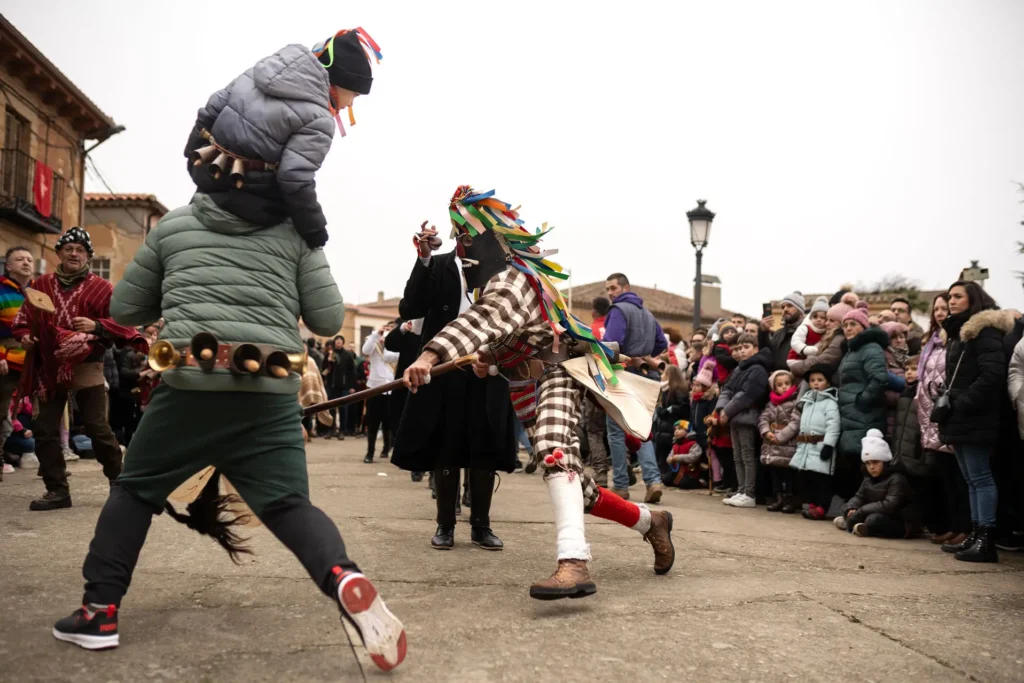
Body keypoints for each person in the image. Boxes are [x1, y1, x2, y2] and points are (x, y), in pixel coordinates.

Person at [50, 30, 408, 672]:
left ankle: (99, 613)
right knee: (289, 505)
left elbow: (126, 311)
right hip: (270, 379)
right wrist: (308, 244)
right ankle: (343, 578)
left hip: (189, 373)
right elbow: (328, 320)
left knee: (134, 490)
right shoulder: (297, 236)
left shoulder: (179, 226)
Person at [403, 186, 674, 600]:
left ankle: (574, 563)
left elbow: (484, 319)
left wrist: (430, 354)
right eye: (459, 242)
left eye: (468, 240)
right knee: (575, 486)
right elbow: (512, 334)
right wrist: (489, 358)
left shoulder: (514, 280)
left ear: (496, 240)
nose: (461, 252)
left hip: (558, 372)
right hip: (527, 383)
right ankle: (649, 521)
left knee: (552, 449)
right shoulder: (499, 282)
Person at [185, 28, 380, 250]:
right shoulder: (319, 119)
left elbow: (209, 112)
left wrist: (192, 158)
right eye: (354, 95)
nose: (350, 105)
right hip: (255, 205)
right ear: (340, 83)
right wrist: (315, 231)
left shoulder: (255, 74)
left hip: (210, 180)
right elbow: (294, 178)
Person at [391, 223, 515, 550]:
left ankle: (481, 525)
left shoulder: (503, 271)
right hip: (443, 366)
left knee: (484, 446)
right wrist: (425, 259)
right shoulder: (441, 265)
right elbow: (410, 307)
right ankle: (445, 524)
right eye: (464, 233)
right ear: (456, 235)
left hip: (487, 366)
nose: (469, 239)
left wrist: (497, 359)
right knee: (447, 445)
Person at [12, 228, 145, 511]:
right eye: (69, 248)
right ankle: (57, 491)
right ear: (58, 253)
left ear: (88, 256)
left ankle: (120, 485)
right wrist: (25, 335)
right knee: (44, 429)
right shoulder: (41, 284)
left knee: (97, 428)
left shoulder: (103, 288)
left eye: (80, 249)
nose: (74, 253)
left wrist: (97, 326)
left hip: (88, 365)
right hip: (48, 368)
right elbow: (23, 320)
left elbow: (124, 325)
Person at [936, 282, 1011, 563]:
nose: (951, 301)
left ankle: (986, 538)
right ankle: (975, 533)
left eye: (957, 297)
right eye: (949, 296)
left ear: (973, 300)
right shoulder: (958, 335)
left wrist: (963, 403)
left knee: (980, 477)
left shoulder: (985, 332)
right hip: (961, 417)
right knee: (971, 479)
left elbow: (992, 375)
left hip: (976, 417)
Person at [602, 272, 668, 503]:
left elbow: (612, 345)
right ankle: (653, 481)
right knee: (643, 431)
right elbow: (662, 343)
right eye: (608, 289)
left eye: (613, 288)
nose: (610, 293)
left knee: (616, 431)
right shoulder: (648, 315)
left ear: (625, 288)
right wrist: (645, 355)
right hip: (647, 375)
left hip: (624, 375)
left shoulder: (618, 310)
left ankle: (621, 485)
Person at [916, 294, 969, 545]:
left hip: (945, 414)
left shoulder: (954, 341)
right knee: (943, 476)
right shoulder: (931, 342)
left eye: (943, 308)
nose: (939, 313)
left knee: (958, 476)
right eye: (935, 309)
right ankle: (950, 525)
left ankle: (963, 527)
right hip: (929, 415)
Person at [710, 334, 771, 508]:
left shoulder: (758, 369)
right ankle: (741, 490)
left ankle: (749, 493)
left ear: (755, 349)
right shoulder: (740, 368)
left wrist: (727, 411)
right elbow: (727, 389)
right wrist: (721, 408)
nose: (742, 350)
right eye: (739, 347)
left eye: (746, 347)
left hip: (748, 417)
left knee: (747, 455)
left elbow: (747, 394)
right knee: (737, 457)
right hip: (734, 417)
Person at [835, 307, 889, 498]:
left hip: (865, 416)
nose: (848, 328)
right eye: (845, 325)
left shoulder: (870, 348)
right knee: (852, 465)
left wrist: (862, 401)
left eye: (853, 324)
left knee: (864, 465)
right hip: (850, 417)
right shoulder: (851, 351)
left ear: (864, 327)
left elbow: (880, 378)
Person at [834, 430, 916, 538]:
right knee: (847, 507)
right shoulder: (868, 478)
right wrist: (851, 508)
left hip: (902, 522)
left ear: (884, 461)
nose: (871, 467)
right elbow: (859, 497)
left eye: (875, 462)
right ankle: (855, 524)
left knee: (873, 519)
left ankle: (854, 525)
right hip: (876, 512)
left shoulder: (896, 478)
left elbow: (890, 505)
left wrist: (861, 511)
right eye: (868, 463)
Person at [790, 365, 841, 520]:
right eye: (812, 380)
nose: (816, 383)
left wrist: (828, 445)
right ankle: (812, 504)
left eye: (820, 380)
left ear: (828, 383)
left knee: (822, 479)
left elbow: (834, 425)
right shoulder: (808, 402)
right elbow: (803, 425)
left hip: (821, 445)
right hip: (806, 447)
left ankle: (822, 506)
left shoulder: (830, 403)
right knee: (808, 478)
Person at [0, 246, 34, 452]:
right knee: (1, 414)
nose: (26, 263)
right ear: (9, 266)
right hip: (7, 362)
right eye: (20, 259)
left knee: (46, 414)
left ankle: (51, 464)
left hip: (34, 362)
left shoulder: (39, 292)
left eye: (29, 259)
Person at [384, 319, 424, 479]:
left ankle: (433, 473)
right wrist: (402, 328)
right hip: (407, 384)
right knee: (408, 423)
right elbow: (390, 344)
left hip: (432, 380)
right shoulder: (408, 327)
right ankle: (416, 465)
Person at [758, 370, 800, 512]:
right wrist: (766, 432)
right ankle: (778, 498)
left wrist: (781, 436)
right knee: (774, 471)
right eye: (779, 385)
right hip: (771, 442)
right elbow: (763, 418)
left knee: (788, 473)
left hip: (787, 443)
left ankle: (790, 499)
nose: (784, 387)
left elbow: (795, 422)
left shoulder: (795, 402)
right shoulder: (771, 403)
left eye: (787, 384)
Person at [360, 322, 399, 462]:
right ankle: (370, 452)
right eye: (386, 329)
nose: (388, 332)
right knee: (373, 422)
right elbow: (365, 350)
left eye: (391, 330)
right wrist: (377, 334)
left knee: (388, 422)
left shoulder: (396, 344)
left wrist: (387, 344)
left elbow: (394, 357)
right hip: (376, 388)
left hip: (391, 387)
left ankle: (386, 448)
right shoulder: (374, 342)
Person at [789, 301, 850, 385]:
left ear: (841, 324)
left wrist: (795, 367)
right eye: (827, 319)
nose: (826, 323)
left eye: (831, 320)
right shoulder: (829, 337)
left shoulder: (839, 339)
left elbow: (824, 360)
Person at [652, 364, 690, 474]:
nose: (662, 375)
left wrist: (670, 409)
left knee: (668, 452)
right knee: (662, 453)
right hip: (664, 427)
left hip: (672, 426)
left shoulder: (677, 390)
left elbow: (683, 408)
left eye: (664, 373)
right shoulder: (665, 389)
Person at [760, 291, 806, 371]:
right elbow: (767, 355)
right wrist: (763, 332)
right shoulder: (778, 333)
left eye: (790, 306)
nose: (785, 309)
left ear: (800, 311)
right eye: (783, 307)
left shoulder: (807, 331)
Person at [321, 336, 356, 438]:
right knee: (331, 408)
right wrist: (328, 361)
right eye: (337, 341)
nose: (338, 342)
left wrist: (352, 386)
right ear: (334, 343)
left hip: (344, 386)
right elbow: (323, 369)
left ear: (343, 343)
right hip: (332, 385)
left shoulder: (347, 355)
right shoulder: (330, 353)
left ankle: (342, 430)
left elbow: (352, 371)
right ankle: (331, 429)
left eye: (340, 341)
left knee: (343, 409)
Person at [663, 420, 705, 489]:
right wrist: (670, 459)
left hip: (690, 473)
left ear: (687, 431)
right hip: (678, 471)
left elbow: (693, 457)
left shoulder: (693, 444)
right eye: (675, 429)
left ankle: (701, 482)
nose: (676, 431)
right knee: (666, 480)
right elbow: (670, 456)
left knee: (684, 484)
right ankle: (678, 481)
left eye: (679, 429)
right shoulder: (675, 445)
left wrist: (678, 458)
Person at [788, 296, 829, 366]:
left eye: (822, 317)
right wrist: (805, 349)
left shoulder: (827, 333)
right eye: (815, 317)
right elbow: (795, 341)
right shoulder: (805, 328)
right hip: (796, 359)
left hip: (813, 362)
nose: (818, 319)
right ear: (810, 318)